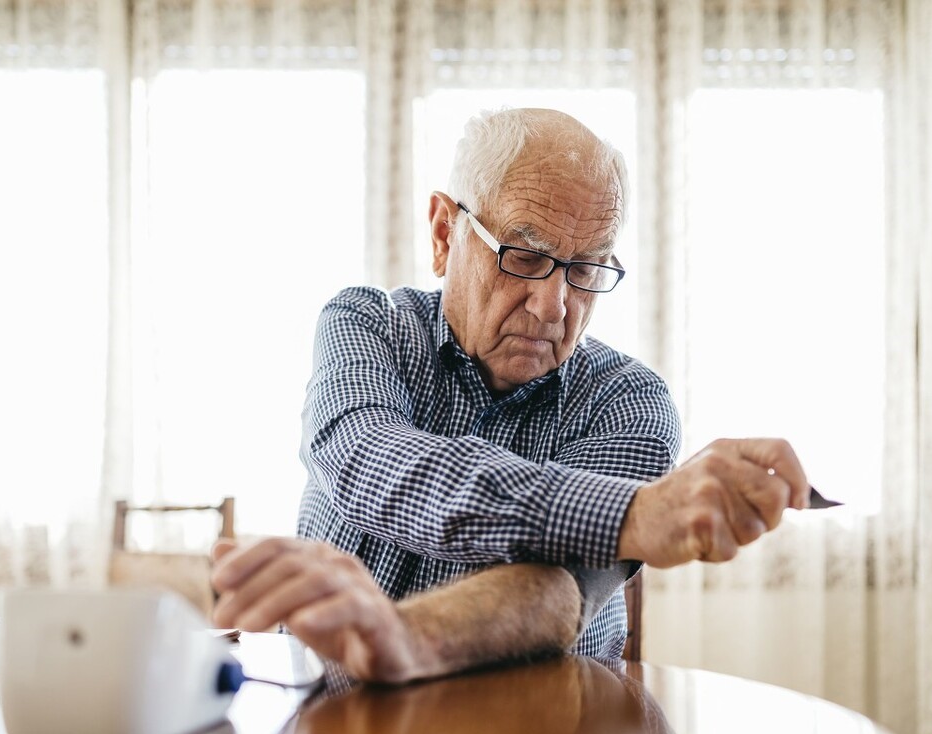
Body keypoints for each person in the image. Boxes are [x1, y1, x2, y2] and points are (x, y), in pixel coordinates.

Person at [212, 108, 810, 683]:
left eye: (585, 270)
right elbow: (371, 462)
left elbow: (559, 594)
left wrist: (403, 635)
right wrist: (630, 513)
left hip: (536, 732)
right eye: (524, 258)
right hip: (328, 720)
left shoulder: (630, 402)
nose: (554, 307)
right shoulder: (368, 323)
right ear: (446, 234)